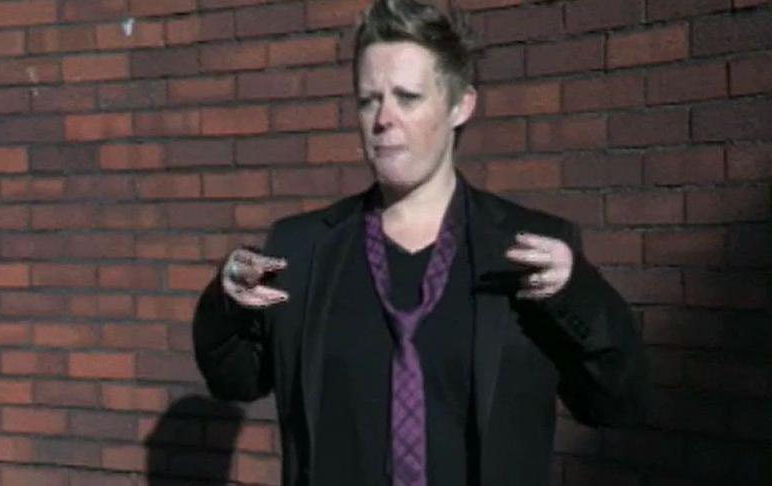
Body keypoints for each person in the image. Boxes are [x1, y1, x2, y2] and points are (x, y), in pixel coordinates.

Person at [192, 0, 649, 484]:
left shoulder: (529, 252)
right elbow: (233, 378)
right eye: (369, 99)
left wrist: (577, 292)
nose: (383, 118)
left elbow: (616, 402)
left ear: (460, 105)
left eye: (407, 97)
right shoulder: (303, 248)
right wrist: (227, 300)